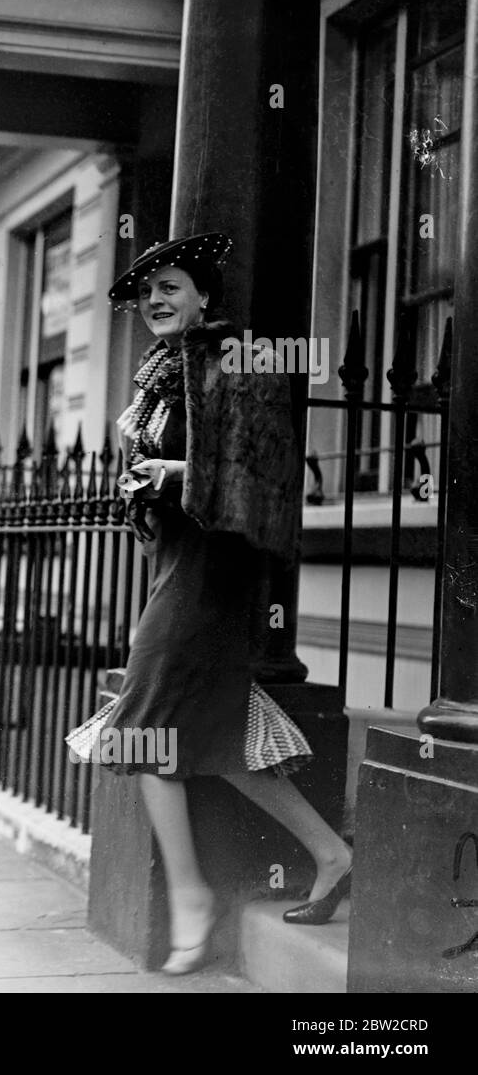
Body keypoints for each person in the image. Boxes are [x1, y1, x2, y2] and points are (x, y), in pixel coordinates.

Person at [66, 233, 353, 976]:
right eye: (147, 292)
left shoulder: (230, 356)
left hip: (212, 573)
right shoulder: (162, 375)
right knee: (214, 738)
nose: (155, 300)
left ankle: (191, 894)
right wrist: (150, 483)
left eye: (170, 286)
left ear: (203, 296)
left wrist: (173, 471)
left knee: (144, 727)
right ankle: (331, 854)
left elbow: (266, 467)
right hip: (177, 562)